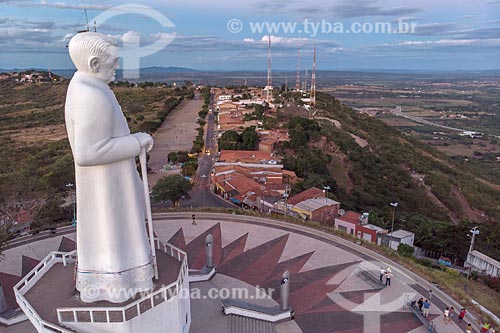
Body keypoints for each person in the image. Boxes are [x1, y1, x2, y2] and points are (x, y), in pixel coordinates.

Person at [65, 32, 155, 303]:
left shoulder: (84, 85)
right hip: (105, 184)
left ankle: (118, 276)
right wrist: (137, 141)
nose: (117, 67)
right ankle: (119, 281)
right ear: (94, 63)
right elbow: (87, 152)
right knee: (112, 231)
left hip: (108, 180)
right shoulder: (91, 96)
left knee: (111, 230)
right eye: (113, 62)